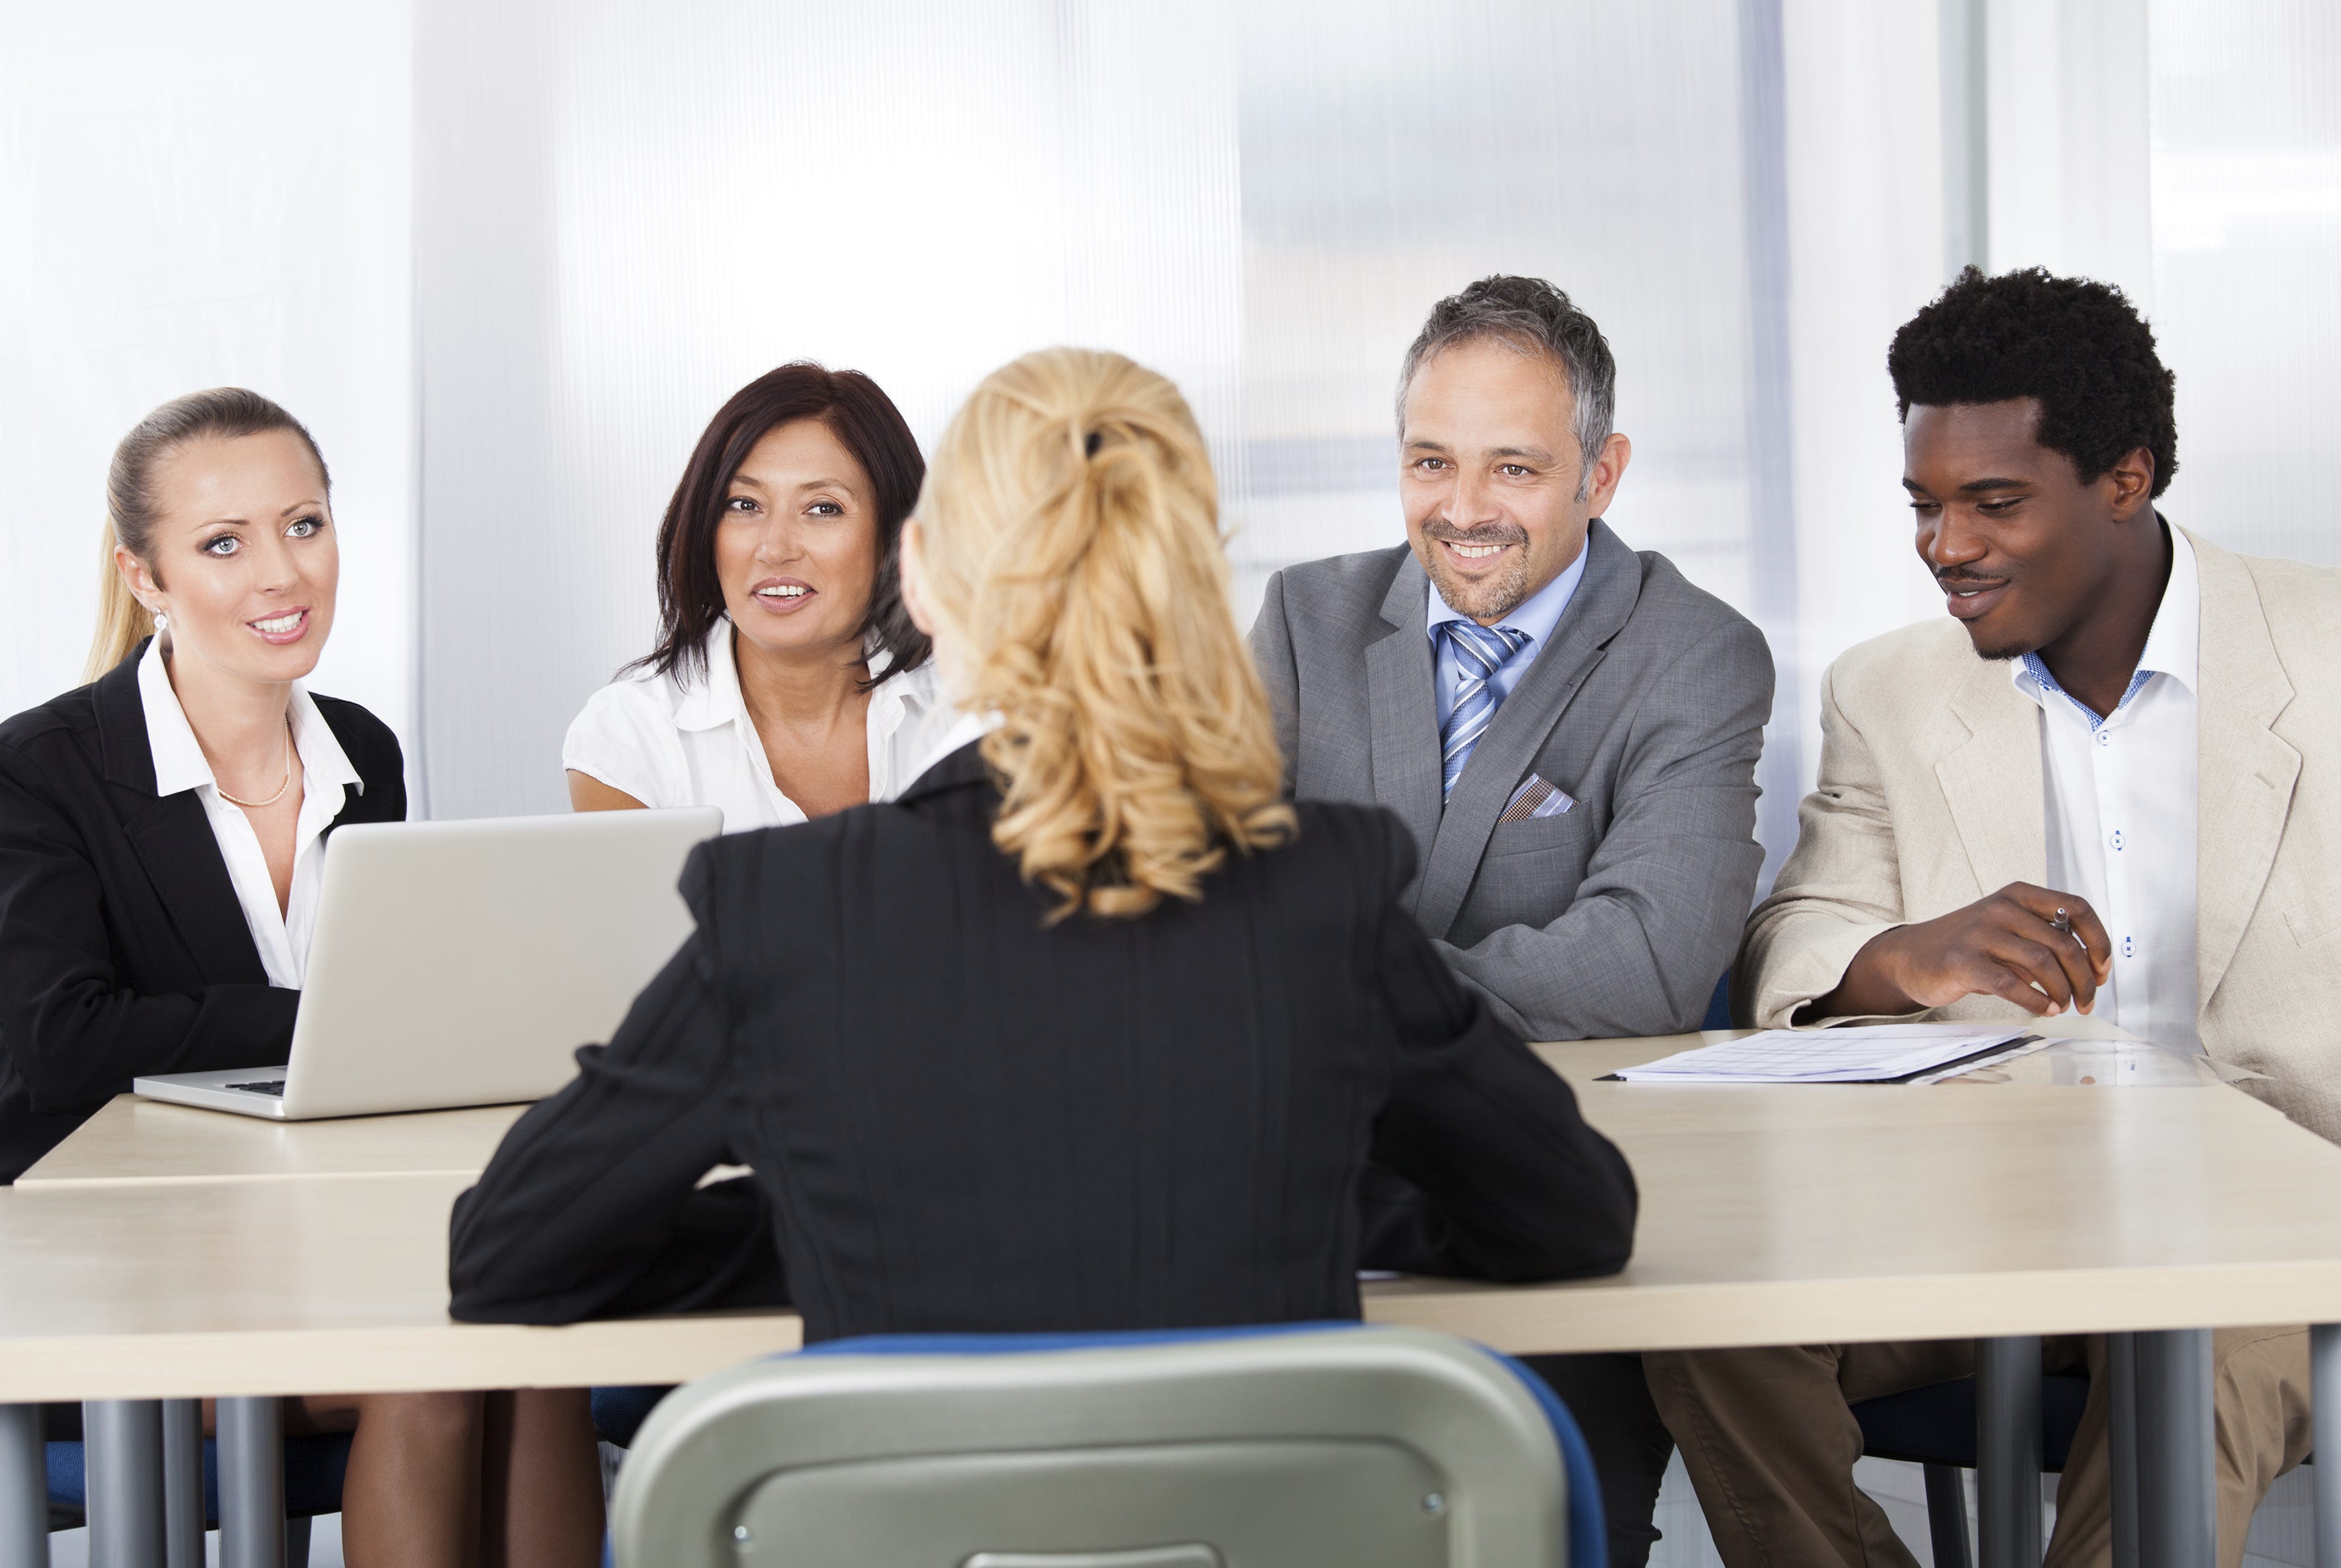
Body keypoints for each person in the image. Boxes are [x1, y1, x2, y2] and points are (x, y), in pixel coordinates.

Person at [447, 348, 1637, 1352]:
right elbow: (1570, 1217)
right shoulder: (1320, 888)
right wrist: (1313, 1195)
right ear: (1188, 579)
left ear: (918, 577)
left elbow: (509, 1252)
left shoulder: (788, 910)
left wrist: (832, 1210)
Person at [1644, 267, 2337, 1568]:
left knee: (2186, 1377)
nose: (1943, 545)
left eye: (1992, 502)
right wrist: (1900, 960)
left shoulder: (2326, 654)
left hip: (2273, 1231)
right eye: (1924, 503)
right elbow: (1800, 945)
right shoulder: (1888, 691)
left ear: (2124, 480)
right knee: (1706, 1315)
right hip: (1982, 1222)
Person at [0, 389, 600, 1567]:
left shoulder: (361, 749)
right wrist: (340, 1019)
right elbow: (66, 1039)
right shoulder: (37, 772)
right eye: (225, 544)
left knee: (539, 1360)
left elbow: (360, 1043)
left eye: (305, 525)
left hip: (320, 1232)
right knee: (428, 1379)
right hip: (106, 1254)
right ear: (146, 575)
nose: (284, 573)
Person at [1247, 273, 1775, 1566]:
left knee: (1532, 1523)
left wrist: (1333, 995)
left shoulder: (1693, 655)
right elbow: (1212, 904)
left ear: (1602, 472)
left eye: (1514, 468)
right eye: (1430, 461)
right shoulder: (1308, 622)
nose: (1463, 511)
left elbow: (1645, 963)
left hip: (1541, 1207)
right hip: (1298, 1196)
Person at [563, 362, 960, 826]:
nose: (775, 548)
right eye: (745, 505)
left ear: (895, 534)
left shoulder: (978, 710)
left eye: (823, 508)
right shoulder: (629, 739)